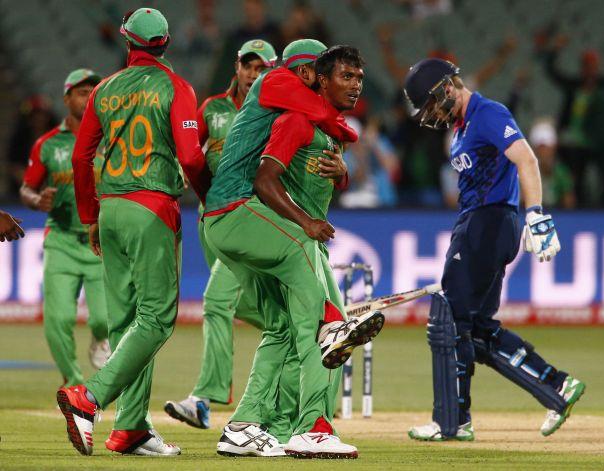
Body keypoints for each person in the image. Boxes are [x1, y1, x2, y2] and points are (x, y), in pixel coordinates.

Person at [203, 41, 382, 458]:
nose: (356, 85)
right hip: (279, 232)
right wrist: (307, 223)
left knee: (284, 331)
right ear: (314, 76)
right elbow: (268, 179)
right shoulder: (293, 116)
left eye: (359, 78)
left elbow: (324, 159)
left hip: (270, 232)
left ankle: (245, 424)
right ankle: (313, 427)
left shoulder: (321, 128)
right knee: (324, 333)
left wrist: (343, 172)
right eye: (346, 77)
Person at [402, 59, 584, 442]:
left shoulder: (488, 113)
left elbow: (527, 159)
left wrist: (536, 214)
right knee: (477, 331)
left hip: (489, 223)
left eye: (432, 103)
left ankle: (451, 421)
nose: (432, 114)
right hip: (480, 223)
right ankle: (558, 386)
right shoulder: (462, 128)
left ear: (447, 87)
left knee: (450, 320)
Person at [58, 8, 211, 457]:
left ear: (127, 43)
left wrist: (89, 217)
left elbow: (81, 157)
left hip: (110, 210)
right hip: (151, 209)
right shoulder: (176, 87)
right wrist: (208, 194)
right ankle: (88, 398)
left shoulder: (103, 90)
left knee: (129, 323)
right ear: (165, 44)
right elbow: (191, 155)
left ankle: (131, 430)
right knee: (157, 319)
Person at [164, 38, 277, 429]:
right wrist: (201, 196)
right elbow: (190, 157)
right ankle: (304, 339)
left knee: (215, 301)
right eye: (249, 66)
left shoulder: (275, 112)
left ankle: (203, 398)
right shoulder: (212, 109)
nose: (253, 74)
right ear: (237, 66)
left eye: (262, 68)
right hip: (213, 219)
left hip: (249, 219)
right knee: (251, 307)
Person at [20, 69, 110, 388]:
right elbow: (26, 188)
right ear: (67, 98)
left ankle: (100, 339)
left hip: (100, 242)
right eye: (82, 92)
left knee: (103, 320)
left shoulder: (110, 137)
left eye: (93, 91)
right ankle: (73, 385)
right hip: (61, 239)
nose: (89, 97)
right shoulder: (48, 144)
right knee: (58, 320)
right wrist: (36, 199)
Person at [542, 32, 604, 205]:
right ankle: (581, 208)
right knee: (577, 179)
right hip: (575, 142)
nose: (590, 69)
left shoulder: (603, 85)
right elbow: (553, 73)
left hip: (598, 141)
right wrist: (555, 50)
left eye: (593, 65)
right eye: (587, 65)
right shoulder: (574, 86)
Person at [529, 120, 576, 209]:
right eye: (540, 148)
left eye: (546, 147)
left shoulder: (561, 172)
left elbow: (570, 204)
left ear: (553, 147)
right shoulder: (524, 173)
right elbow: (521, 203)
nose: (543, 152)